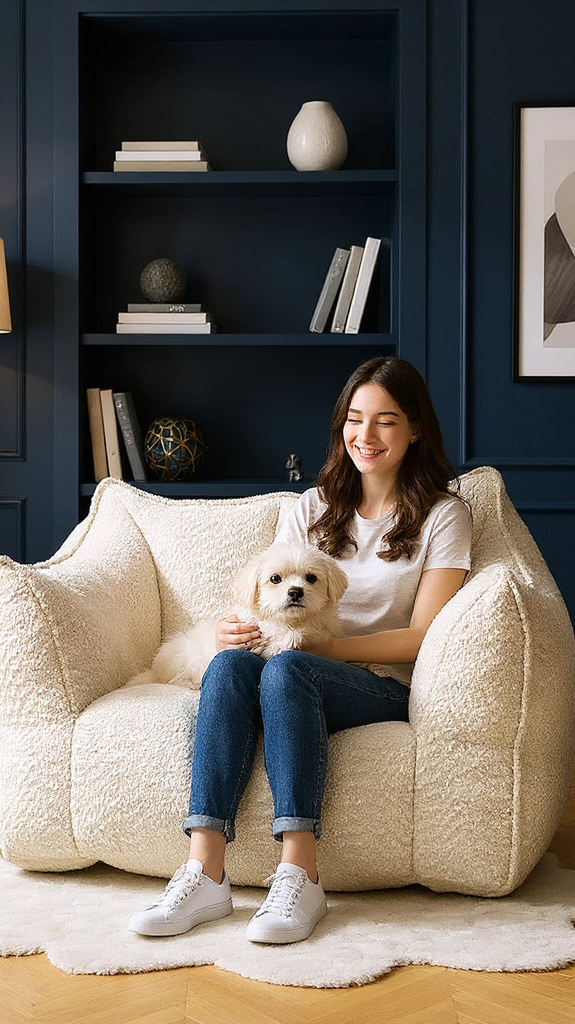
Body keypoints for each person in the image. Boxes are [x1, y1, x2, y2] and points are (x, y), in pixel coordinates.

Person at [128, 356, 472, 944]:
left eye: (386, 421)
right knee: (236, 663)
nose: (367, 436)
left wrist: (322, 649)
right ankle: (204, 871)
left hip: (378, 680)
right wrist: (230, 634)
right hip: (290, 661)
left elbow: (423, 636)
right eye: (355, 419)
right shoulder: (310, 508)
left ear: (415, 430)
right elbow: (268, 598)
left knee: (288, 670)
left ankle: (300, 874)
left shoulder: (444, 515)